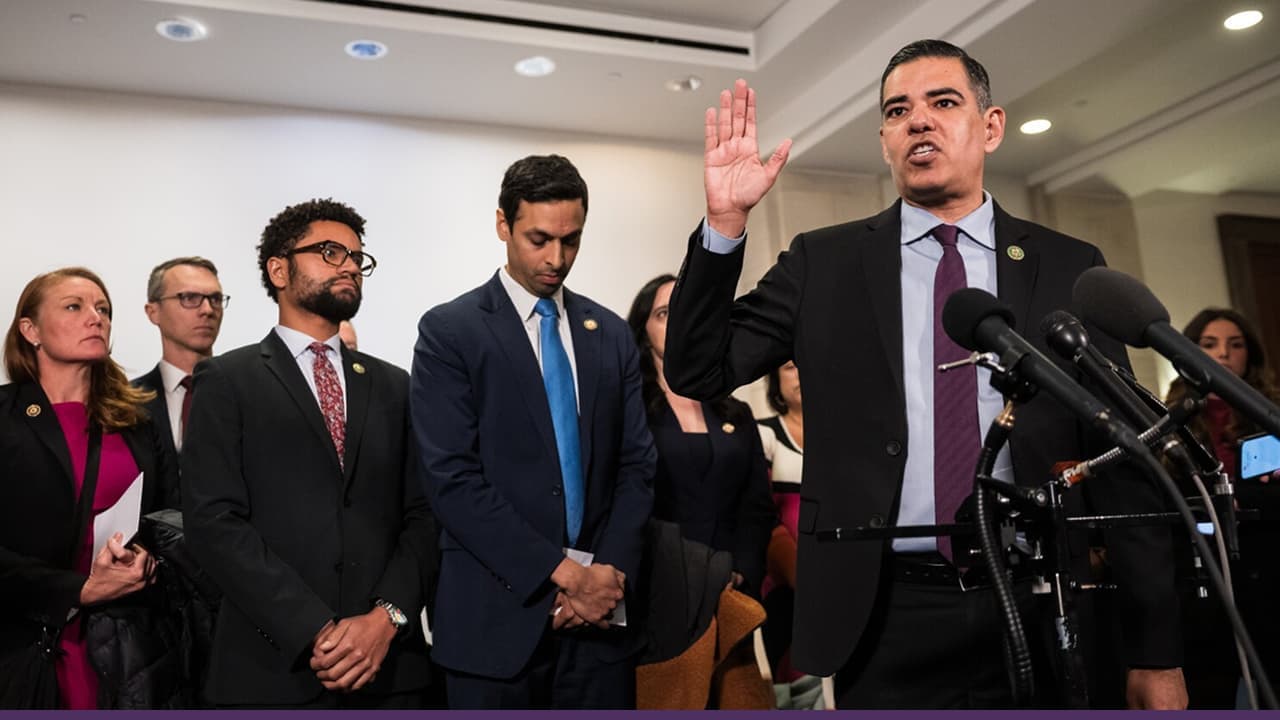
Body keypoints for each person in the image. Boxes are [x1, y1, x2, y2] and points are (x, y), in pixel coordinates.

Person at [663, 39, 1186, 708]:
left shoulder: (1067, 266)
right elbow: (698, 369)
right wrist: (724, 224)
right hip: (881, 611)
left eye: (944, 102)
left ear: (989, 126)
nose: (919, 120)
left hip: (1041, 599)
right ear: (884, 138)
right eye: (898, 110)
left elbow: (1121, 461)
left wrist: (1156, 652)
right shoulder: (822, 264)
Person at [411, 154, 655, 709]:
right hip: (492, 626)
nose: (556, 258)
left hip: (597, 627)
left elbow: (636, 467)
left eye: (571, 240)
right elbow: (452, 480)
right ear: (503, 225)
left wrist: (606, 578)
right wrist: (566, 574)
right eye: (539, 239)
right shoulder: (450, 332)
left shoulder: (611, 334)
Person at [181, 199, 437, 708]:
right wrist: (315, 629)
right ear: (279, 269)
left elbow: (424, 515)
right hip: (274, 668)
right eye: (329, 251)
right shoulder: (227, 381)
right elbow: (213, 522)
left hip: (392, 671)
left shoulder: (393, 385)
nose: (348, 265)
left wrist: (385, 620)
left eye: (357, 257)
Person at [0, 267, 176, 708]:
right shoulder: (4, 417)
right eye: (74, 307)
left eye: (103, 309)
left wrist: (146, 560)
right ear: (30, 330)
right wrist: (75, 590)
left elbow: (170, 516)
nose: (96, 318)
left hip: (126, 647)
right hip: (23, 645)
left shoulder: (140, 420)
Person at [626, 273, 774, 710]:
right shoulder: (630, 408)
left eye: (686, 309)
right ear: (643, 329)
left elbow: (756, 507)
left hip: (731, 591)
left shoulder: (735, 410)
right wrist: (693, 571)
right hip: (662, 592)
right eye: (663, 313)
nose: (677, 321)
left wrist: (740, 569)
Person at [1166, 308, 1280, 707]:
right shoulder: (1169, 418)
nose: (1223, 355)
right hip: (1200, 578)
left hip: (1267, 570)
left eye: (1235, 345)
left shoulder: (1272, 412)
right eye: (1209, 345)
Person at [135, 257, 226, 463]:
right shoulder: (127, 403)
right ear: (153, 312)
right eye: (189, 298)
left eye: (216, 299)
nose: (207, 310)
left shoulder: (246, 392)